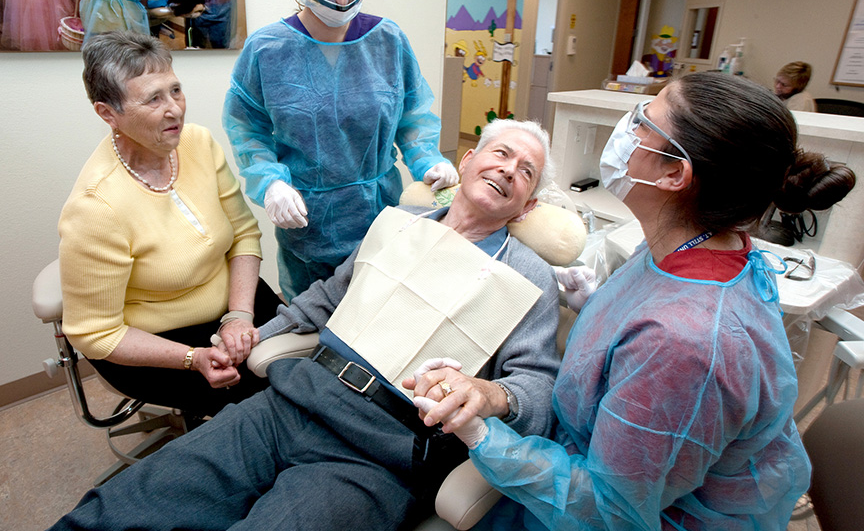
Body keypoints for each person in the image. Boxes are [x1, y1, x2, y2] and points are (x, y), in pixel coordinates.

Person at [49, 119, 561, 531]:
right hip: (290, 403)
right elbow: (322, 300)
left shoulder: (527, 279)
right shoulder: (398, 223)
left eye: (527, 171)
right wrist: (251, 336)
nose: (510, 169)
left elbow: (539, 389)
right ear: (468, 160)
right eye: (500, 153)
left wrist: (492, 395)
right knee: (131, 501)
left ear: (530, 203)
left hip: (379, 450)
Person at [417, 73, 856, 530]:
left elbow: (612, 509)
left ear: (674, 173)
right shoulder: (696, 245)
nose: (627, 128)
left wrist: (483, 436)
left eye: (643, 121)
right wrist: (596, 310)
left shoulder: (686, 343)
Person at [223, 0, 459, 300]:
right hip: (308, 235)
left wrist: (429, 160)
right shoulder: (266, 50)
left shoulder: (388, 41)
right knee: (312, 340)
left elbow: (413, 118)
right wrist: (272, 184)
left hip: (381, 224)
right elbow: (248, 132)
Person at [59, 31, 281, 417]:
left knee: (302, 368)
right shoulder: (96, 207)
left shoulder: (198, 143)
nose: (175, 110)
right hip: (158, 341)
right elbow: (96, 334)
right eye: (153, 99)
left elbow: (243, 234)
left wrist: (239, 316)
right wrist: (193, 358)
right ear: (108, 113)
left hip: (235, 302)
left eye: (175, 90)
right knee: (260, 410)